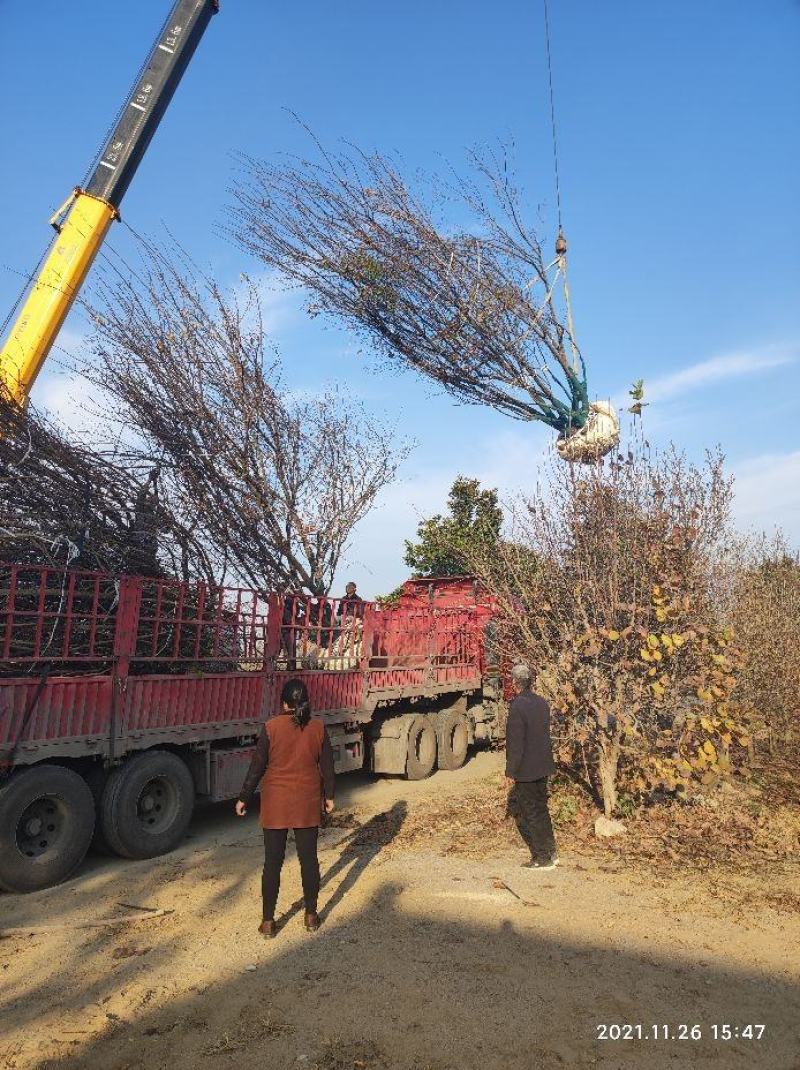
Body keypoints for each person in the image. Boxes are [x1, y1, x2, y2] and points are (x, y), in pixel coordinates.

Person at [235, 678, 335, 936]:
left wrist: (244, 797)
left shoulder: (270, 727)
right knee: (309, 860)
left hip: (276, 803)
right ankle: (311, 915)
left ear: (283, 702)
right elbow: (327, 767)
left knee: (272, 863)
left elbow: (257, 766)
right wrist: (330, 797)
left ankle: (268, 921)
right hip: (306, 802)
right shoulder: (318, 727)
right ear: (306, 701)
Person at [505, 662, 559, 871]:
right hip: (543, 766)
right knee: (542, 809)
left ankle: (541, 857)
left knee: (531, 813)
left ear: (514, 682)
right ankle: (551, 852)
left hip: (526, 770)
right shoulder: (542, 703)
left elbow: (515, 743)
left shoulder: (517, 706)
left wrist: (511, 771)